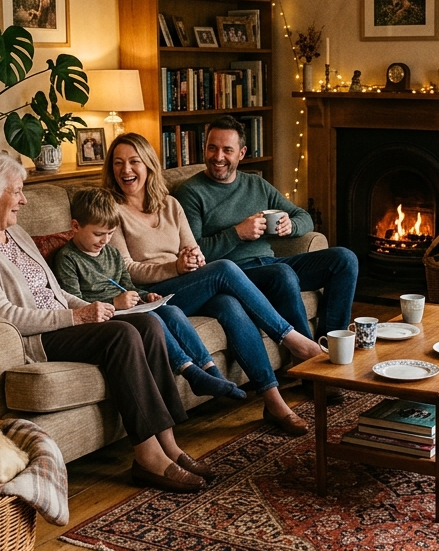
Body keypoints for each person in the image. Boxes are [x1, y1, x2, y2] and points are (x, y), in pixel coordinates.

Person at [0, 151, 208, 492]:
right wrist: (77, 317)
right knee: (120, 337)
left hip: (61, 322)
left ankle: (169, 445)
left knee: (149, 324)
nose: (23, 199)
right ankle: (147, 457)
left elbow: (57, 292)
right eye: (16, 191)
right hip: (32, 339)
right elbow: (3, 316)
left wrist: (98, 307)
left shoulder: (15, 232)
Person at [104, 132, 326, 436]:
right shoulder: (111, 211)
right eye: (118, 163)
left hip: (188, 283)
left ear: (148, 165)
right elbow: (127, 271)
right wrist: (174, 266)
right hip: (154, 297)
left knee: (229, 304)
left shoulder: (169, 204)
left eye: (133, 162)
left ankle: (274, 402)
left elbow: (193, 248)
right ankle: (292, 338)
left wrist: (193, 259)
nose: (126, 170)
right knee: (224, 269)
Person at [50, 187, 246, 401]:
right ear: (76, 226)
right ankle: (190, 372)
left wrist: (146, 296)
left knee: (170, 310)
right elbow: (74, 303)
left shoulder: (112, 253)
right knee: (150, 318)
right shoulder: (68, 259)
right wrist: (114, 303)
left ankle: (212, 371)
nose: (105, 240)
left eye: (110, 233)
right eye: (98, 234)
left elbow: (127, 285)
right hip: (104, 316)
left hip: (128, 306)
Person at [173, 115, 359, 339]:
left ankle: (330, 342)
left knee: (344, 259)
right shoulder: (191, 193)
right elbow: (195, 255)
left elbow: (304, 216)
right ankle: (307, 356)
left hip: (272, 264)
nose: (218, 157)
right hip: (235, 276)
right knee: (282, 273)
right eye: (212, 148)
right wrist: (237, 233)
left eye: (227, 150)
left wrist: (291, 226)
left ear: (242, 153)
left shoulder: (256, 184)